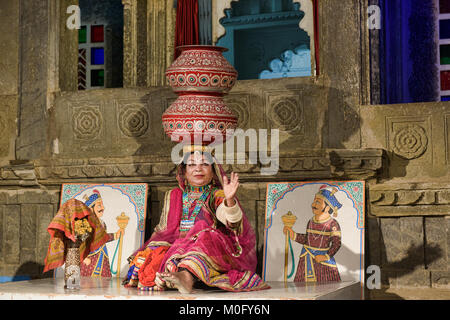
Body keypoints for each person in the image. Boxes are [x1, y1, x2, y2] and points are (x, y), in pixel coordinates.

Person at [123, 147, 269, 293]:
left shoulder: (216, 194)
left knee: (206, 236)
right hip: (175, 246)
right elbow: (162, 230)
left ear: (213, 172)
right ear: (184, 172)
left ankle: (186, 277)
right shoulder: (173, 195)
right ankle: (175, 275)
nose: (198, 169)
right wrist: (154, 249)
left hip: (208, 248)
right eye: (192, 164)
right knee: (148, 258)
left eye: (205, 164)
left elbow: (231, 222)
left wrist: (229, 200)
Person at [283, 185, 342, 283]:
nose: (313, 204)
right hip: (306, 258)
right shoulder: (311, 221)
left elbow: (336, 244)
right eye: (314, 201)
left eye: (318, 202)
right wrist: (293, 235)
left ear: (327, 208)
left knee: (326, 288)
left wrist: (325, 257)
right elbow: (308, 239)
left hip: (323, 262)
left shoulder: (333, 224)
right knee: (301, 288)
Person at [80, 189, 122, 277]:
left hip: (102, 255)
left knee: (104, 282)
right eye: (99, 206)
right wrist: (83, 257)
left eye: (102, 205)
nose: (103, 208)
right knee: (89, 284)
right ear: (91, 209)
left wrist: (116, 235)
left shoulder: (102, 223)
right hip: (90, 256)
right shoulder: (86, 223)